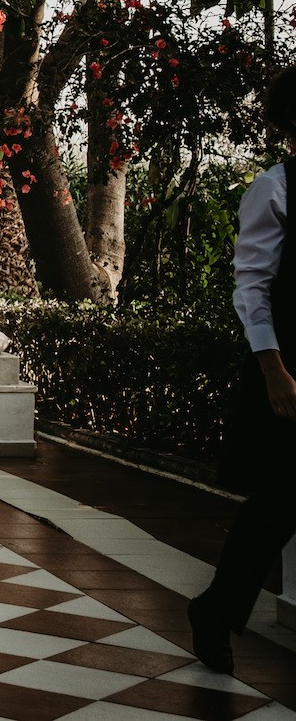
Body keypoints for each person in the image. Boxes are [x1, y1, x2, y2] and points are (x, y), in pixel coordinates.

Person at [188, 67, 296, 674]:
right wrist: (273, 371)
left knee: (279, 502)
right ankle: (217, 609)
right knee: (277, 501)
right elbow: (251, 287)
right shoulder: (274, 189)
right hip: (288, 363)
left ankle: (216, 607)